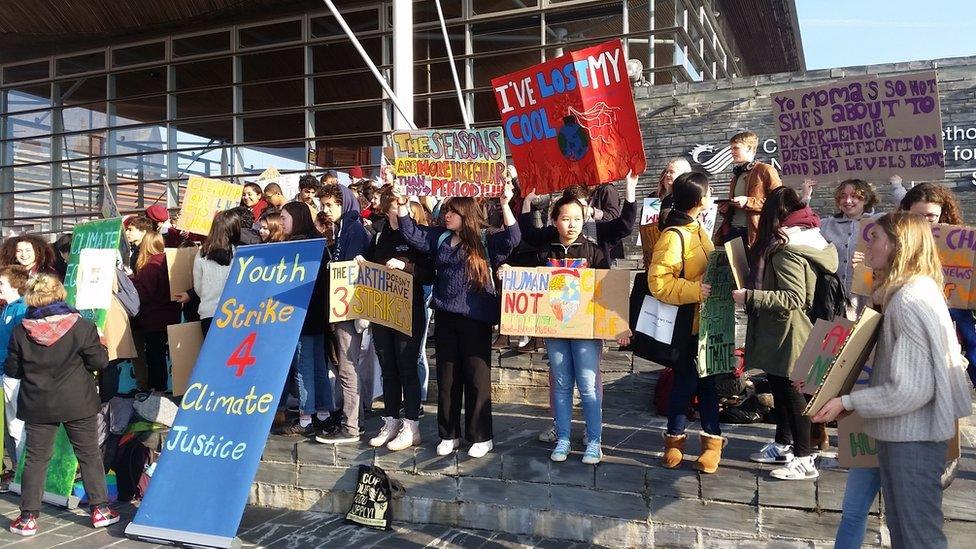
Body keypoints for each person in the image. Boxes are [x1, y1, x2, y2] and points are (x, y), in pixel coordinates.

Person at [814, 212, 971, 549]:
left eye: (876, 238)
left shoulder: (908, 300)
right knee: (908, 533)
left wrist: (848, 402)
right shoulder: (914, 290)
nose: (867, 243)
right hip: (909, 433)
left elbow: (909, 389)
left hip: (912, 436)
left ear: (898, 247)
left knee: (917, 537)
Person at [515, 172, 639, 465]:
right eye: (564, 219)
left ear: (584, 219)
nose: (570, 224)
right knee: (560, 382)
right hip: (555, 327)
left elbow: (609, 287)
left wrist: (621, 325)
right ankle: (563, 439)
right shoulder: (546, 248)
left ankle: (594, 442)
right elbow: (524, 245)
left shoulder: (594, 250)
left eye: (576, 219)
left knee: (586, 382)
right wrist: (509, 270)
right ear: (554, 221)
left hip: (586, 329)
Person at [396, 184, 520, 458]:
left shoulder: (484, 240)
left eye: (453, 211)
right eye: (446, 210)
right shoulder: (440, 238)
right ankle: (448, 433)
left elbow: (512, 238)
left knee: (477, 377)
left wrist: (506, 204)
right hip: (445, 316)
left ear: (466, 214)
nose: (446, 215)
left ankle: (481, 436)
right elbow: (412, 233)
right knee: (448, 378)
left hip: (475, 319)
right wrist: (403, 203)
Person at [4, 275, 119, 536]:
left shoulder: (22, 330)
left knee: (35, 458)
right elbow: (99, 363)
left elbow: (13, 369)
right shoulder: (82, 326)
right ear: (60, 294)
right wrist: (100, 342)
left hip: (38, 403)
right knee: (89, 454)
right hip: (77, 400)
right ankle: (100, 510)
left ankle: (28, 518)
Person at [738, 187, 838, 480]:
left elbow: (794, 297)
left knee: (793, 393)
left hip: (790, 330)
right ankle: (783, 444)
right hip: (788, 329)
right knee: (779, 386)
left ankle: (804, 458)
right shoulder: (811, 237)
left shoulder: (787, 248)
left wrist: (750, 297)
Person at [649, 172, 725, 473]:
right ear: (699, 200)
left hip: (707, 322)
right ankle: (675, 443)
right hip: (685, 325)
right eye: (709, 192)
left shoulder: (698, 229)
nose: (712, 196)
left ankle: (711, 445)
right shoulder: (673, 235)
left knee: (708, 384)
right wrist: (696, 290)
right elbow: (658, 283)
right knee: (685, 384)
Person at [361, 190, 434, 451]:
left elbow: (429, 275)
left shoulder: (418, 240)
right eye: (391, 207)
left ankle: (411, 423)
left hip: (409, 310)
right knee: (387, 367)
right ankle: (390, 420)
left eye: (398, 208)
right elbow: (370, 261)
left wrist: (406, 268)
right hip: (382, 309)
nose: (392, 212)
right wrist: (362, 265)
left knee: (407, 366)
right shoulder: (380, 235)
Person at [312, 184, 371, 444]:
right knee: (345, 366)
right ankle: (348, 418)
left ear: (343, 204)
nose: (325, 210)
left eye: (330, 205)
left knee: (348, 367)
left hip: (349, 307)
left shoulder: (354, 230)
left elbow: (350, 269)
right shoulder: (342, 229)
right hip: (341, 306)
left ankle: (351, 426)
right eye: (323, 205)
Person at [277, 201, 336, 437]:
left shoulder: (299, 244)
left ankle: (305, 418)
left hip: (301, 314)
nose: (281, 222)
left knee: (303, 367)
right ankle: (323, 413)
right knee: (318, 366)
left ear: (297, 218)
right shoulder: (319, 243)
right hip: (318, 314)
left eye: (284, 218)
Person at [803, 179, 877, 318]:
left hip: (865, 295)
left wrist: (896, 185)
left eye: (854, 196)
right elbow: (802, 226)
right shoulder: (826, 224)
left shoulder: (877, 222)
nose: (848, 201)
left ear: (866, 199)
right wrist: (806, 197)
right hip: (832, 297)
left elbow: (909, 216)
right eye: (843, 196)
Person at [129, 231, 181, 391]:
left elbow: (144, 293)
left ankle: (156, 389)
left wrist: (131, 281)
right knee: (163, 355)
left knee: (154, 356)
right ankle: (163, 388)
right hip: (171, 314)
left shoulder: (150, 266)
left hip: (154, 317)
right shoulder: (170, 261)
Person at [715, 131, 782, 247]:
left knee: (755, 266)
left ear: (749, 148)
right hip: (733, 232)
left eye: (736, 148)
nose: (732, 152)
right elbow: (738, 209)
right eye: (731, 148)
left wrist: (748, 202)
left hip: (756, 234)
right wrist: (726, 208)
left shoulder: (766, 170)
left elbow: (779, 202)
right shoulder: (736, 176)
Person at [0, 265, 30, 465]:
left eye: (2, 282)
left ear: (14, 284)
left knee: (18, 426)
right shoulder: (7, 309)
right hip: (5, 373)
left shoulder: (22, 308)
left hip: (15, 375)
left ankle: (24, 473)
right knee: (11, 426)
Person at [191, 211, 238, 336]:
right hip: (235, 313)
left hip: (208, 313)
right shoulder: (238, 253)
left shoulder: (202, 252)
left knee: (213, 354)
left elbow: (199, 288)